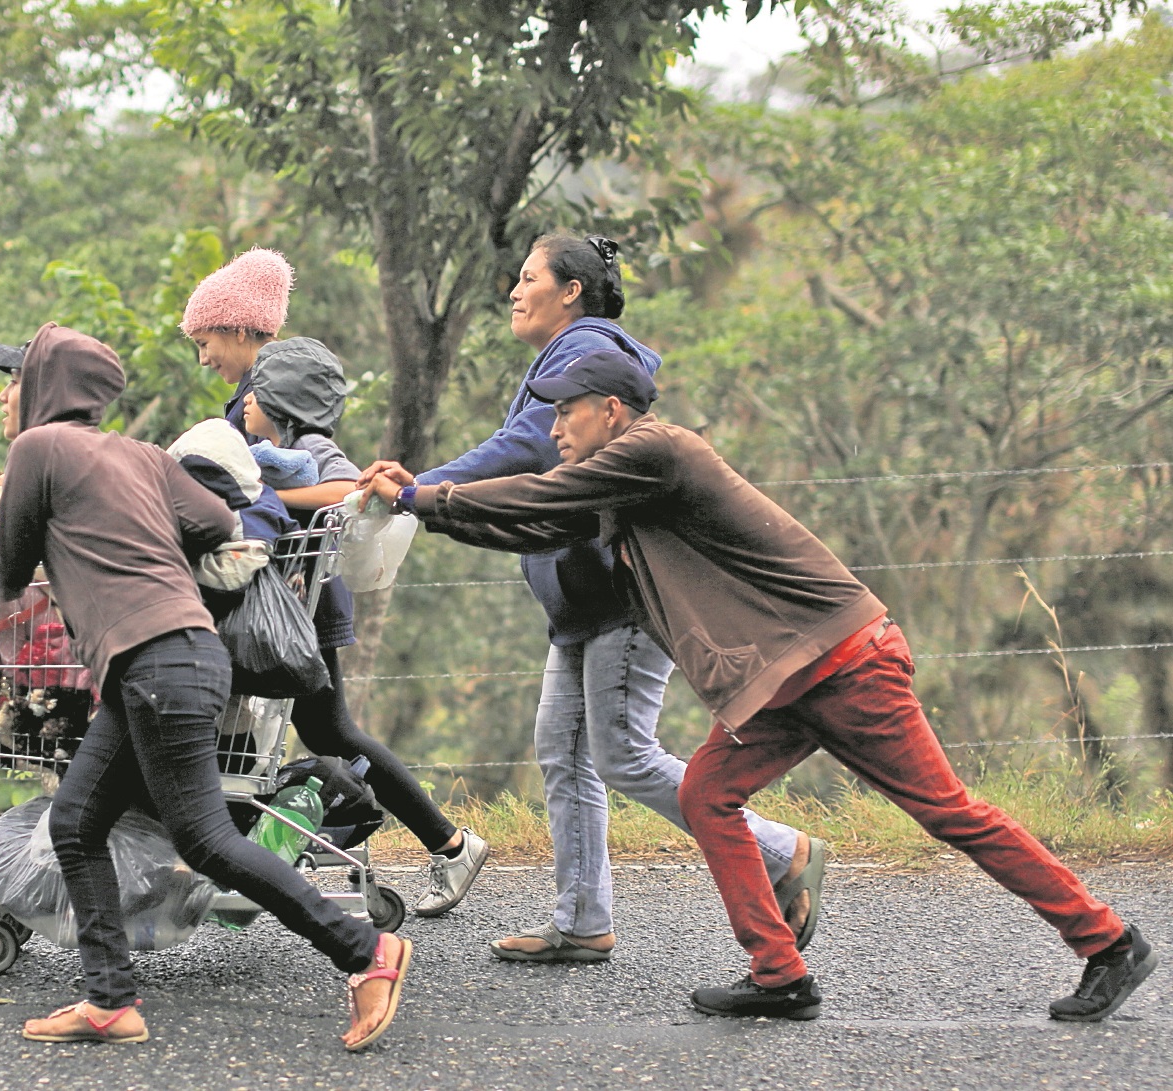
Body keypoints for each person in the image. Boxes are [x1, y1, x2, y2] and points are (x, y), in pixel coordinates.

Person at [359, 350, 1158, 1022]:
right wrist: (423, 508)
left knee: (948, 812)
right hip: (782, 680)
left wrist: (422, 493)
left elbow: (541, 496)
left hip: (845, 664)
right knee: (708, 793)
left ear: (609, 410)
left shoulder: (657, 451)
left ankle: (1107, 941)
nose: (551, 429)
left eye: (562, 413)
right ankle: (779, 975)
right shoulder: (622, 488)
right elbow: (536, 523)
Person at [0, 323, 410, 1049]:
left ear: (44, 386)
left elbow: (5, 570)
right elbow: (216, 518)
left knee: (206, 838)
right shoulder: (140, 457)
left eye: (16, 377)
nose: (6, 392)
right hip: (166, 658)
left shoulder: (39, 449)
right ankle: (108, 999)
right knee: (76, 822)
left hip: (157, 663)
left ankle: (366, 952)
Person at [383, 233, 819, 962]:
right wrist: (428, 504)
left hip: (616, 595)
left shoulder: (585, 351)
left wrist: (418, 491)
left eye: (527, 278)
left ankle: (781, 851)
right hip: (579, 600)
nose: (514, 291)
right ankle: (583, 919)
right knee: (566, 750)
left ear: (571, 289)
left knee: (620, 752)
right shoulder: (563, 356)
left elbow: (524, 453)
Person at [183, 249, 490, 918]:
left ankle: (445, 842)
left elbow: (343, 487)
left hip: (297, 608)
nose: (203, 357)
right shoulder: (253, 404)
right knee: (309, 734)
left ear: (239, 332)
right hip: (287, 602)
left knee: (325, 733)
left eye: (205, 342)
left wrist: (262, 493)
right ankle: (426, 842)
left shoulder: (280, 411)